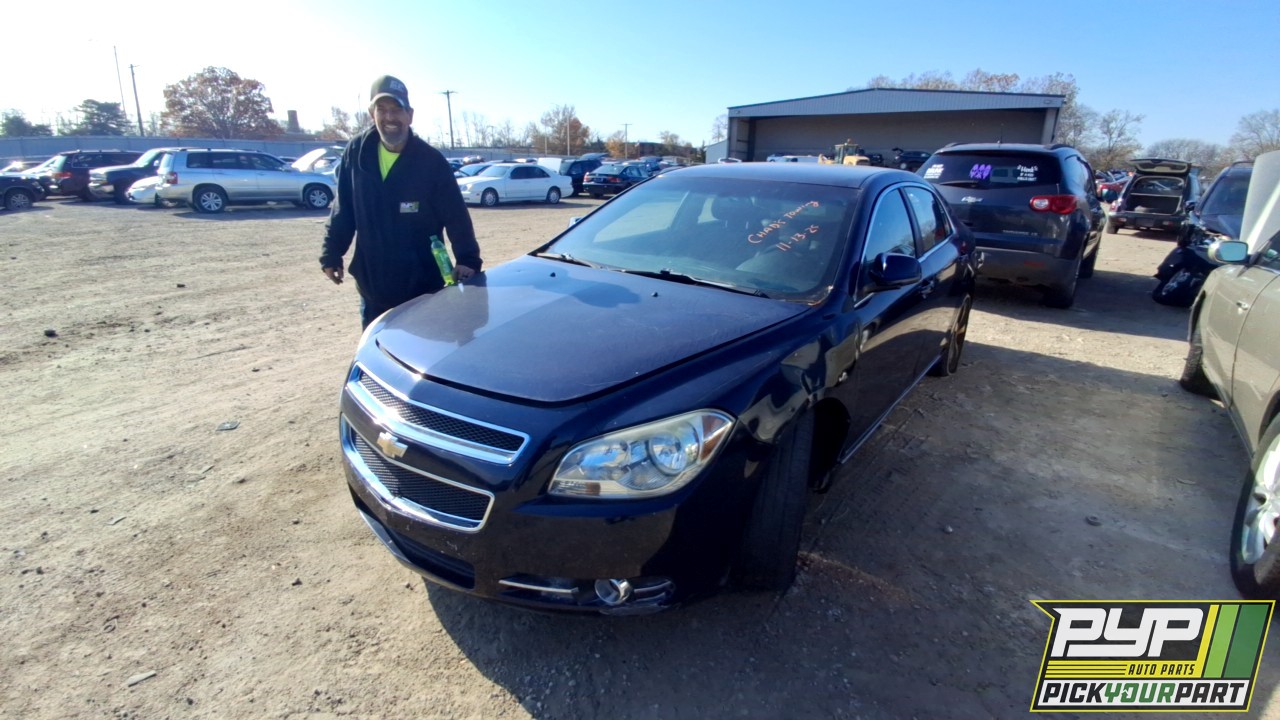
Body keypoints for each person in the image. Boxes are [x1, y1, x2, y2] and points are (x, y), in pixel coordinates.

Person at [320, 75, 482, 328]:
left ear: (410, 115)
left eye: (396, 110)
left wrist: (468, 259)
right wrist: (331, 253)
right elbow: (344, 208)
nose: (389, 117)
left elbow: (456, 215)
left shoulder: (430, 162)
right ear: (371, 113)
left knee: (419, 355)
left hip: (421, 288)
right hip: (373, 287)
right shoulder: (356, 153)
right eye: (382, 110)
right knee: (378, 353)